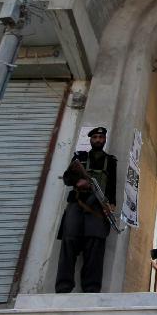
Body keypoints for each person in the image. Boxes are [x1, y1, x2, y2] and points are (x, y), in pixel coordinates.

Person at [55, 126, 117, 293]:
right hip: (77, 203)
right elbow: (67, 178)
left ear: (104, 140)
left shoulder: (110, 161)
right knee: (69, 243)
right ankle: (63, 286)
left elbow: (111, 186)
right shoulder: (80, 157)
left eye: (101, 138)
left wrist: (111, 205)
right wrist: (78, 182)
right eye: (95, 137)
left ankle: (91, 288)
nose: (98, 140)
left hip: (97, 208)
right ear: (90, 140)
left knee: (95, 245)